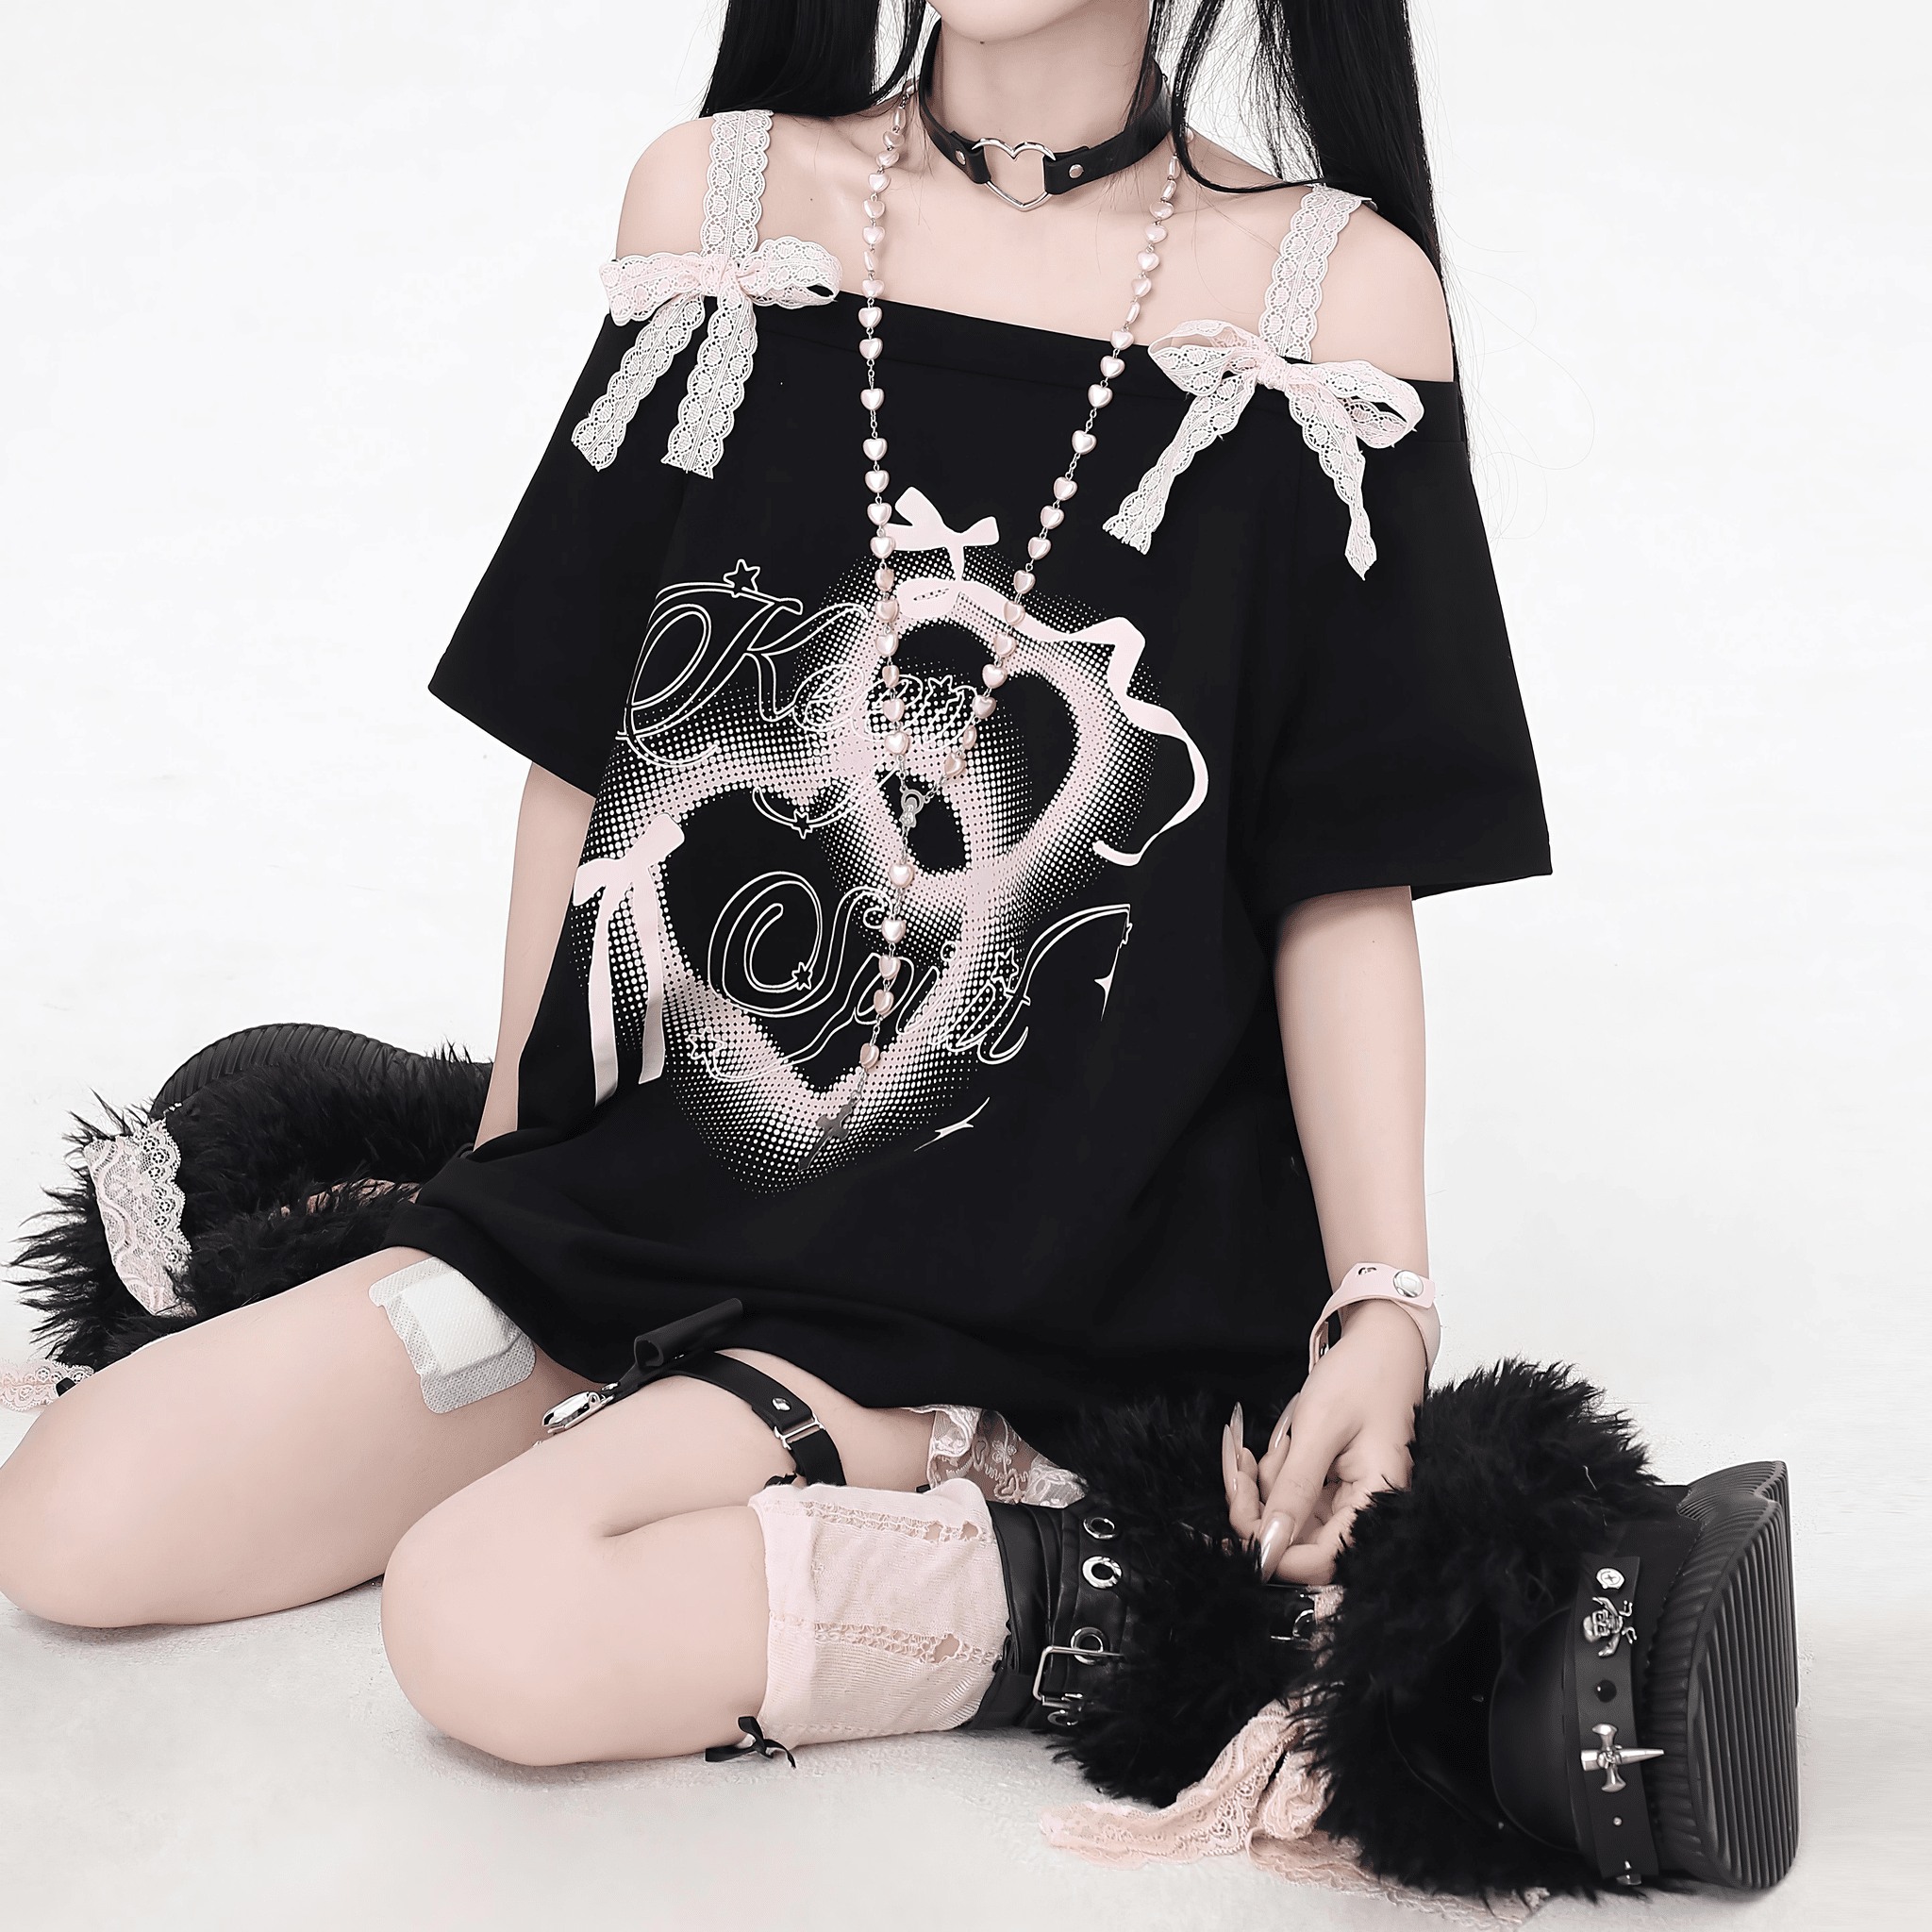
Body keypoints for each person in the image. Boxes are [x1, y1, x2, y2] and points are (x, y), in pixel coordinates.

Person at [0, 0, 1547, 1774]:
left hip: (1029, 1271)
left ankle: (1089, 1582)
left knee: (488, 1620)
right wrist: (501, 1174)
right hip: (642, 1196)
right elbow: (577, 739)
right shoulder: (726, 216)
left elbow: (1340, 879)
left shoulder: (1325, 312)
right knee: (74, 1515)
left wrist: (1382, 1307)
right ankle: (660, 1430)